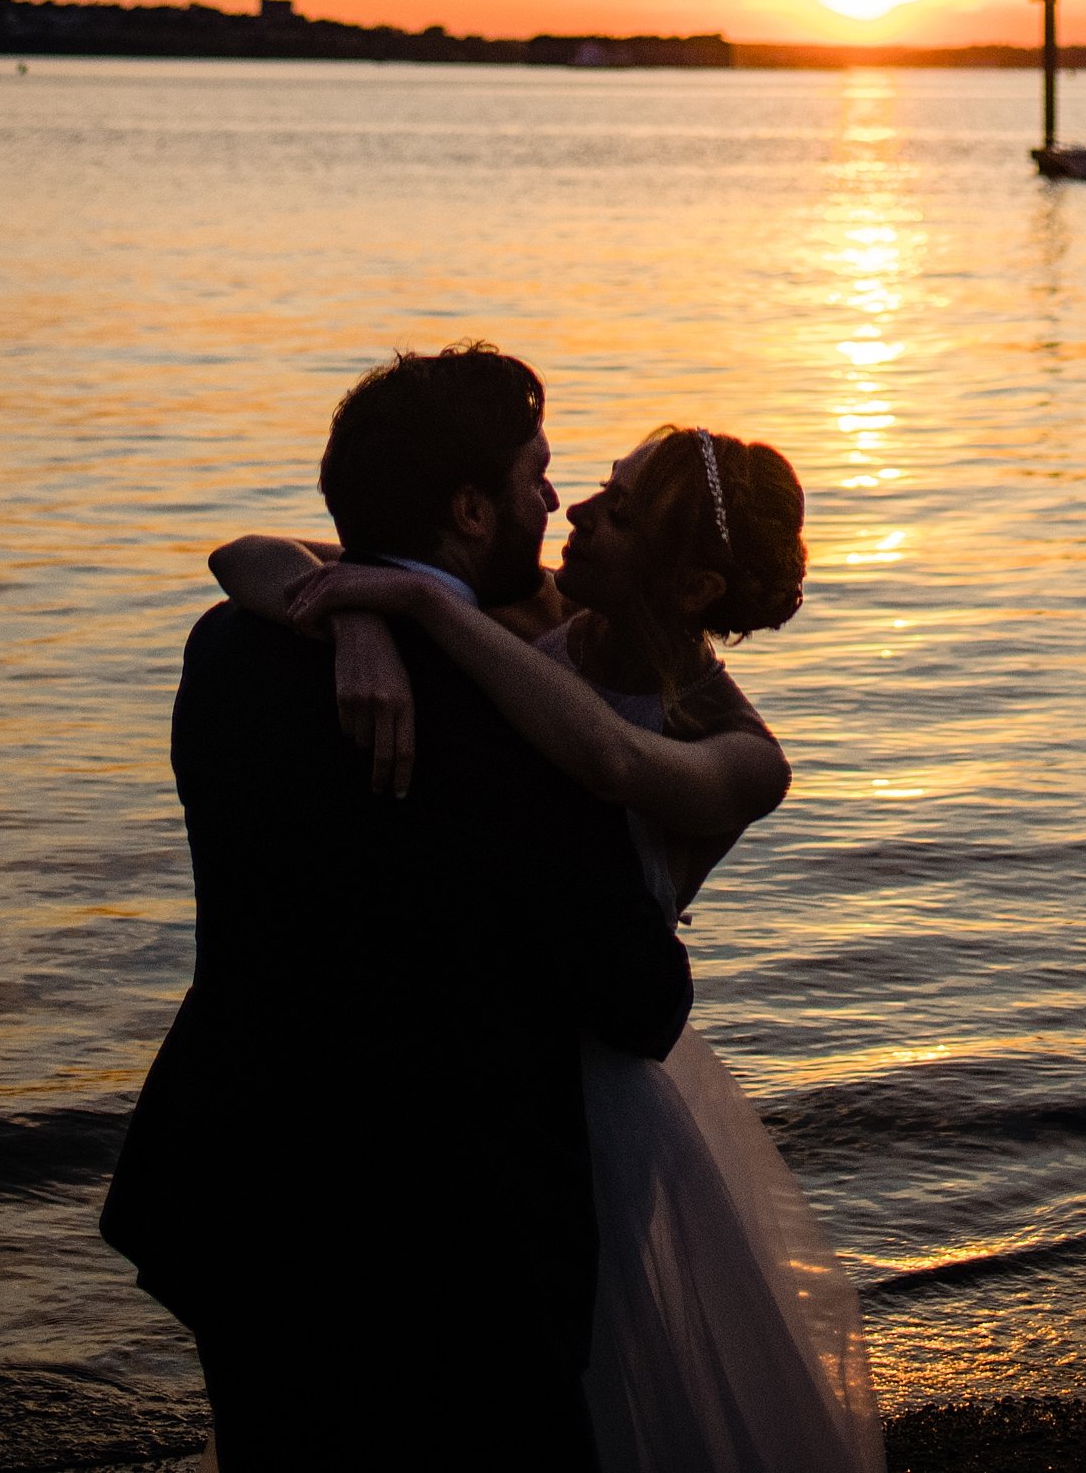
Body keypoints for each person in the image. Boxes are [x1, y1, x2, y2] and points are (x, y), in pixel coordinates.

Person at [214, 418, 885, 1473]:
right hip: (466, 1039)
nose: (574, 509)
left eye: (616, 512)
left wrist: (423, 607)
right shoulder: (528, 610)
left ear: (696, 587)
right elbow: (247, 556)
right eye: (596, 488)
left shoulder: (739, 755)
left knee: (580, 1379)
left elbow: (608, 761)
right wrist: (359, 627)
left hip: (592, 1078)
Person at [99, 344, 691, 1473]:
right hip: (451, 1247)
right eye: (535, 475)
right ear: (469, 511)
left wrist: (363, 612)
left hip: (247, 1200)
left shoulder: (226, 649)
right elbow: (637, 1004)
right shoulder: (526, 730)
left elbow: (254, 565)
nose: (554, 500)